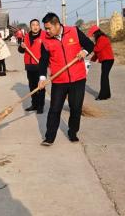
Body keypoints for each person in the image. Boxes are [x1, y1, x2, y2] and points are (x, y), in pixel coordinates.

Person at [38, 13, 94, 146]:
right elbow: (43, 61)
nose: (47, 31)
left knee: (75, 108)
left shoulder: (73, 31)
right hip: (59, 80)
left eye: (49, 28)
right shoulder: (46, 40)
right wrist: (42, 78)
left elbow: (90, 45)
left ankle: (72, 132)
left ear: (57, 25)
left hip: (78, 79)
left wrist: (84, 52)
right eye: (45, 28)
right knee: (54, 109)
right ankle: (49, 137)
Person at [17, 19, 46, 114]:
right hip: (29, 65)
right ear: (30, 26)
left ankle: (41, 106)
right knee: (32, 86)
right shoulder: (26, 36)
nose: (35, 26)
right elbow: (20, 51)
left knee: (41, 86)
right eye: (33, 25)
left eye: (37, 24)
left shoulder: (44, 36)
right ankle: (34, 104)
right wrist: (22, 46)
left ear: (39, 26)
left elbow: (48, 50)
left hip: (40, 65)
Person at [87, 25, 115, 100]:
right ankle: (107, 94)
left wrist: (89, 47)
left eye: (93, 35)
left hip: (108, 60)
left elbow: (97, 49)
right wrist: (91, 60)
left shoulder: (103, 39)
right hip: (106, 60)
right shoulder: (99, 39)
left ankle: (103, 96)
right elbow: (97, 52)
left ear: (96, 33)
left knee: (104, 77)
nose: (92, 36)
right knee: (105, 77)